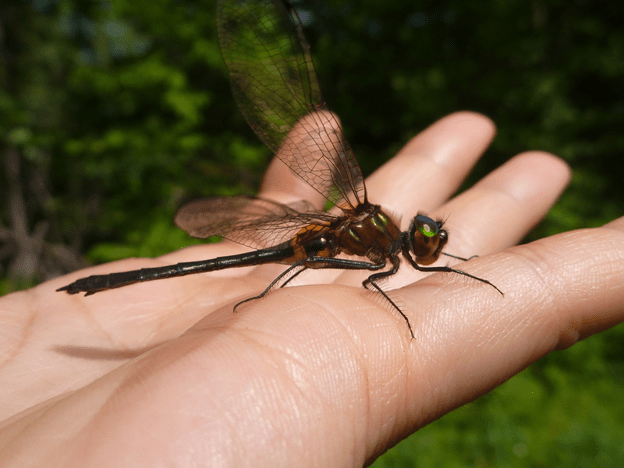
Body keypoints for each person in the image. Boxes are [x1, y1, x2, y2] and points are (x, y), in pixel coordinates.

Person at [0, 112, 621, 467]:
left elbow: (393, 272)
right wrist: (265, 292)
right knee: (292, 261)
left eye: (433, 240)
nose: (430, 242)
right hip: (301, 245)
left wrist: (457, 263)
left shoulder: (387, 243)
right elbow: (371, 279)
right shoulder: (377, 243)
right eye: (430, 240)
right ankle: (108, 282)